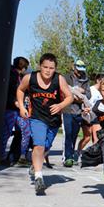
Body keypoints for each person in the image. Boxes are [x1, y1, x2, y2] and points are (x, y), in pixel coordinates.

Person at [16, 53, 73, 196]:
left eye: (51, 68)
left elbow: (70, 96)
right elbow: (20, 90)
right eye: (45, 67)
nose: (48, 70)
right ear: (40, 66)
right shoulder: (30, 78)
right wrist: (22, 107)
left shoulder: (59, 79)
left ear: (55, 68)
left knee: (45, 147)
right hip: (36, 118)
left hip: (53, 120)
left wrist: (60, 105)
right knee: (39, 145)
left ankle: (35, 165)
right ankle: (39, 177)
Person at [0, 56, 29, 166]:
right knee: (6, 132)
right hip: (11, 109)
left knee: (25, 131)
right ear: (23, 67)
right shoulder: (12, 75)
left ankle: (18, 156)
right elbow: (8, 91)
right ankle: (2, 156)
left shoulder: (19, 77)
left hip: (18, 109)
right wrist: (14, 102)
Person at [62, 59, 91, 167]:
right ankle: (68, 157)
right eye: (78, 70)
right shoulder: (66, 78)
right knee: (68, 134)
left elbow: (88, 95)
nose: (80, 72)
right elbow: (63, 92)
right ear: (74, 68)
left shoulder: (85, 80)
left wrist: (82, 93)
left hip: (78, 111)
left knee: (74, 135)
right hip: (67, 110)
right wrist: (74, 95)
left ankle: (72, 154)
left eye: (82, 70)